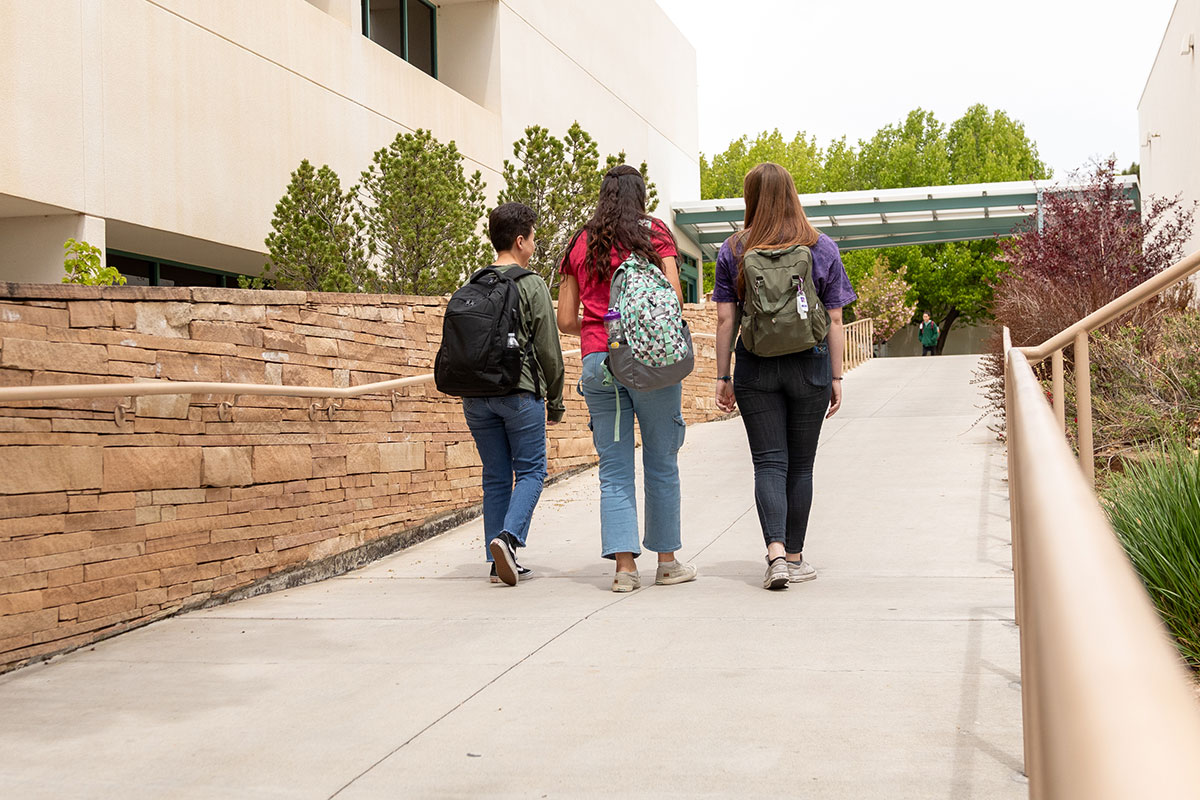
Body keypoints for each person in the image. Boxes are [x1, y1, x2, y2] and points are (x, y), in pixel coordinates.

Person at [712, 163, 857, 590]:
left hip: (756, 366)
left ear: (750, 198)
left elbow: (725, 319)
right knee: (802, 464)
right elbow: (833, 317)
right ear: (793, 195)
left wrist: (724, 377)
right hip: (809, 363)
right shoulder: (820, 246)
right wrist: (836, 377)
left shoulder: (734, 249)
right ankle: (795, 557)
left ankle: (774, 553)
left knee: (768, 462)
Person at [557, 165, 698, 593]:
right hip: (651, 363)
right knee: (661, 460)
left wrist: (602, 324)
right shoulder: (654, 233)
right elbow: (673, 300)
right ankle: (668, 563)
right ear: (640, 194)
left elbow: (565, 319)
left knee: (614, 469)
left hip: (601, 362)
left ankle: (623, 569)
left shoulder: (580, 242)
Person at [462, 202, 565, 586]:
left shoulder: (473, 283)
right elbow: (549, 350)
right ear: (520, 241)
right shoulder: (530, 283)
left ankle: (497, 562)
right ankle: (507, 539)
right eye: (533, 238)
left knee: (495, 477)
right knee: (533, 471)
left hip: (474, 396)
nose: (534, 245)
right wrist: (555, 400)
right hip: (519, 393)